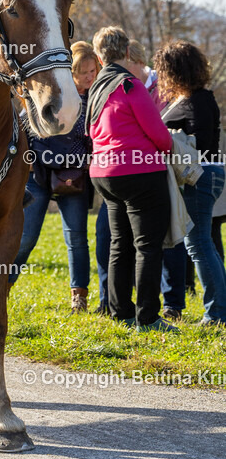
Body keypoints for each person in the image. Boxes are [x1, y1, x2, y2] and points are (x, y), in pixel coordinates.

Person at [87, 26, 175, 331]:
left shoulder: (97, 87)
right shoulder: (129, 85)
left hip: (104, 174)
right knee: (148, 246)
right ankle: (148, 317)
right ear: (127, 52)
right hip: (139, 173)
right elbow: (161, 137)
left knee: (119, 244)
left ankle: (120, 312)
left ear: (98, 57)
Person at [9, 40, 96, 312]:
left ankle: (79, 296)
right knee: (26, 237)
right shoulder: (54, 94)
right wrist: (29, 161)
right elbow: (22, 125)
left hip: (75, 175)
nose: (90, 77)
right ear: (71, 72)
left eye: (93, 71)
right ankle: (2, 285)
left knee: (77, 238)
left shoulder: (94, 99)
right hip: (40, 174)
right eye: (84, 72)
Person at [155, 41, 226, 326]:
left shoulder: (198, 100)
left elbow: (199, 140)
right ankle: (218, 309)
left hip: (200, 177)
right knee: (203, 244)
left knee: (199, 246)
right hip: (204, 176)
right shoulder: (193, 98)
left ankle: (217, 313)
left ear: (175, 71)